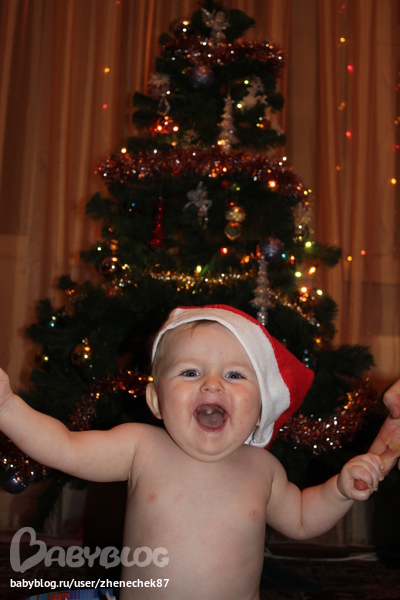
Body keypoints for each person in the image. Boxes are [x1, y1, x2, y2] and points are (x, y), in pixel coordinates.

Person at [0, 304, 398, 600]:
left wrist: (340, 490)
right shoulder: (140, 447)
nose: (212, 384)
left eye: (235, 375)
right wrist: (8, 408)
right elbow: (64, 447)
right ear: (156, 401)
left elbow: (302, 518)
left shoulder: (262, 468)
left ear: (260, 408)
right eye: (190, 372)